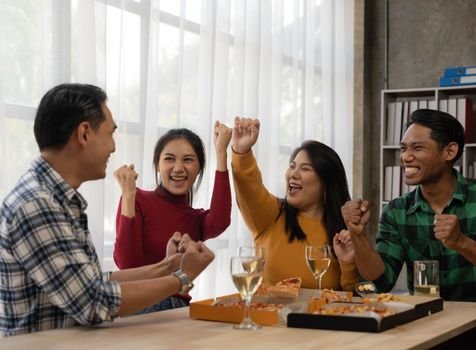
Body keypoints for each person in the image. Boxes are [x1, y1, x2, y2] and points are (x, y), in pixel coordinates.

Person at [0, 83, 215, 337]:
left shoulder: (59, 200)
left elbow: (90, 280)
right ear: (84, 134)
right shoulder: (37, 204)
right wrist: (181, 277)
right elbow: (92, 302)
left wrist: (168, 266)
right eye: (110, 134)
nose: (113, 147)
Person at [336, 109, 476, 348]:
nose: (405, 157)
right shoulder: (397, 211)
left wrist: (462, 243)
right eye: (403, 148)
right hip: (426, 337)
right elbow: (377, 284)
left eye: (417, 148)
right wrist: (358, 234)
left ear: (450, 151)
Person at [112, 125, 231, 312]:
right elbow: (127, 266)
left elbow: (220, 221)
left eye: (188, 160)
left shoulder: (195, 218)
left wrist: (221, 153)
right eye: (169, 159)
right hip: (142, 309)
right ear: (158, 166)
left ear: (199, 168)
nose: (178, 168)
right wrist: (128, 196)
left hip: (179, 309)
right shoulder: (136, 198)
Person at [231, 117, 358, 291]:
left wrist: (348, 263)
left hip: (322, 317)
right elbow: (248, 185)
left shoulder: (343, 233)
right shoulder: (271, 214)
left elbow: (353, 298)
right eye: (292, 166)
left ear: (327, 183)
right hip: (269, 315)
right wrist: (241, 151)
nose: (293, 174)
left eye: (305, 169)